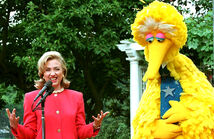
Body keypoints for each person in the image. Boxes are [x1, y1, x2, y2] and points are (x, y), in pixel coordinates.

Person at [6, 51, 109, 139]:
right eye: (48, 70)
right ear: (42, 73)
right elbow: (31, 134)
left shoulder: (76, 97)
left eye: (57, 69)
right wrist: (16, 126)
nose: (52, 73)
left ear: (63, 72)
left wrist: (94, 126)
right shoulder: (31, 98)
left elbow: (79, 131)